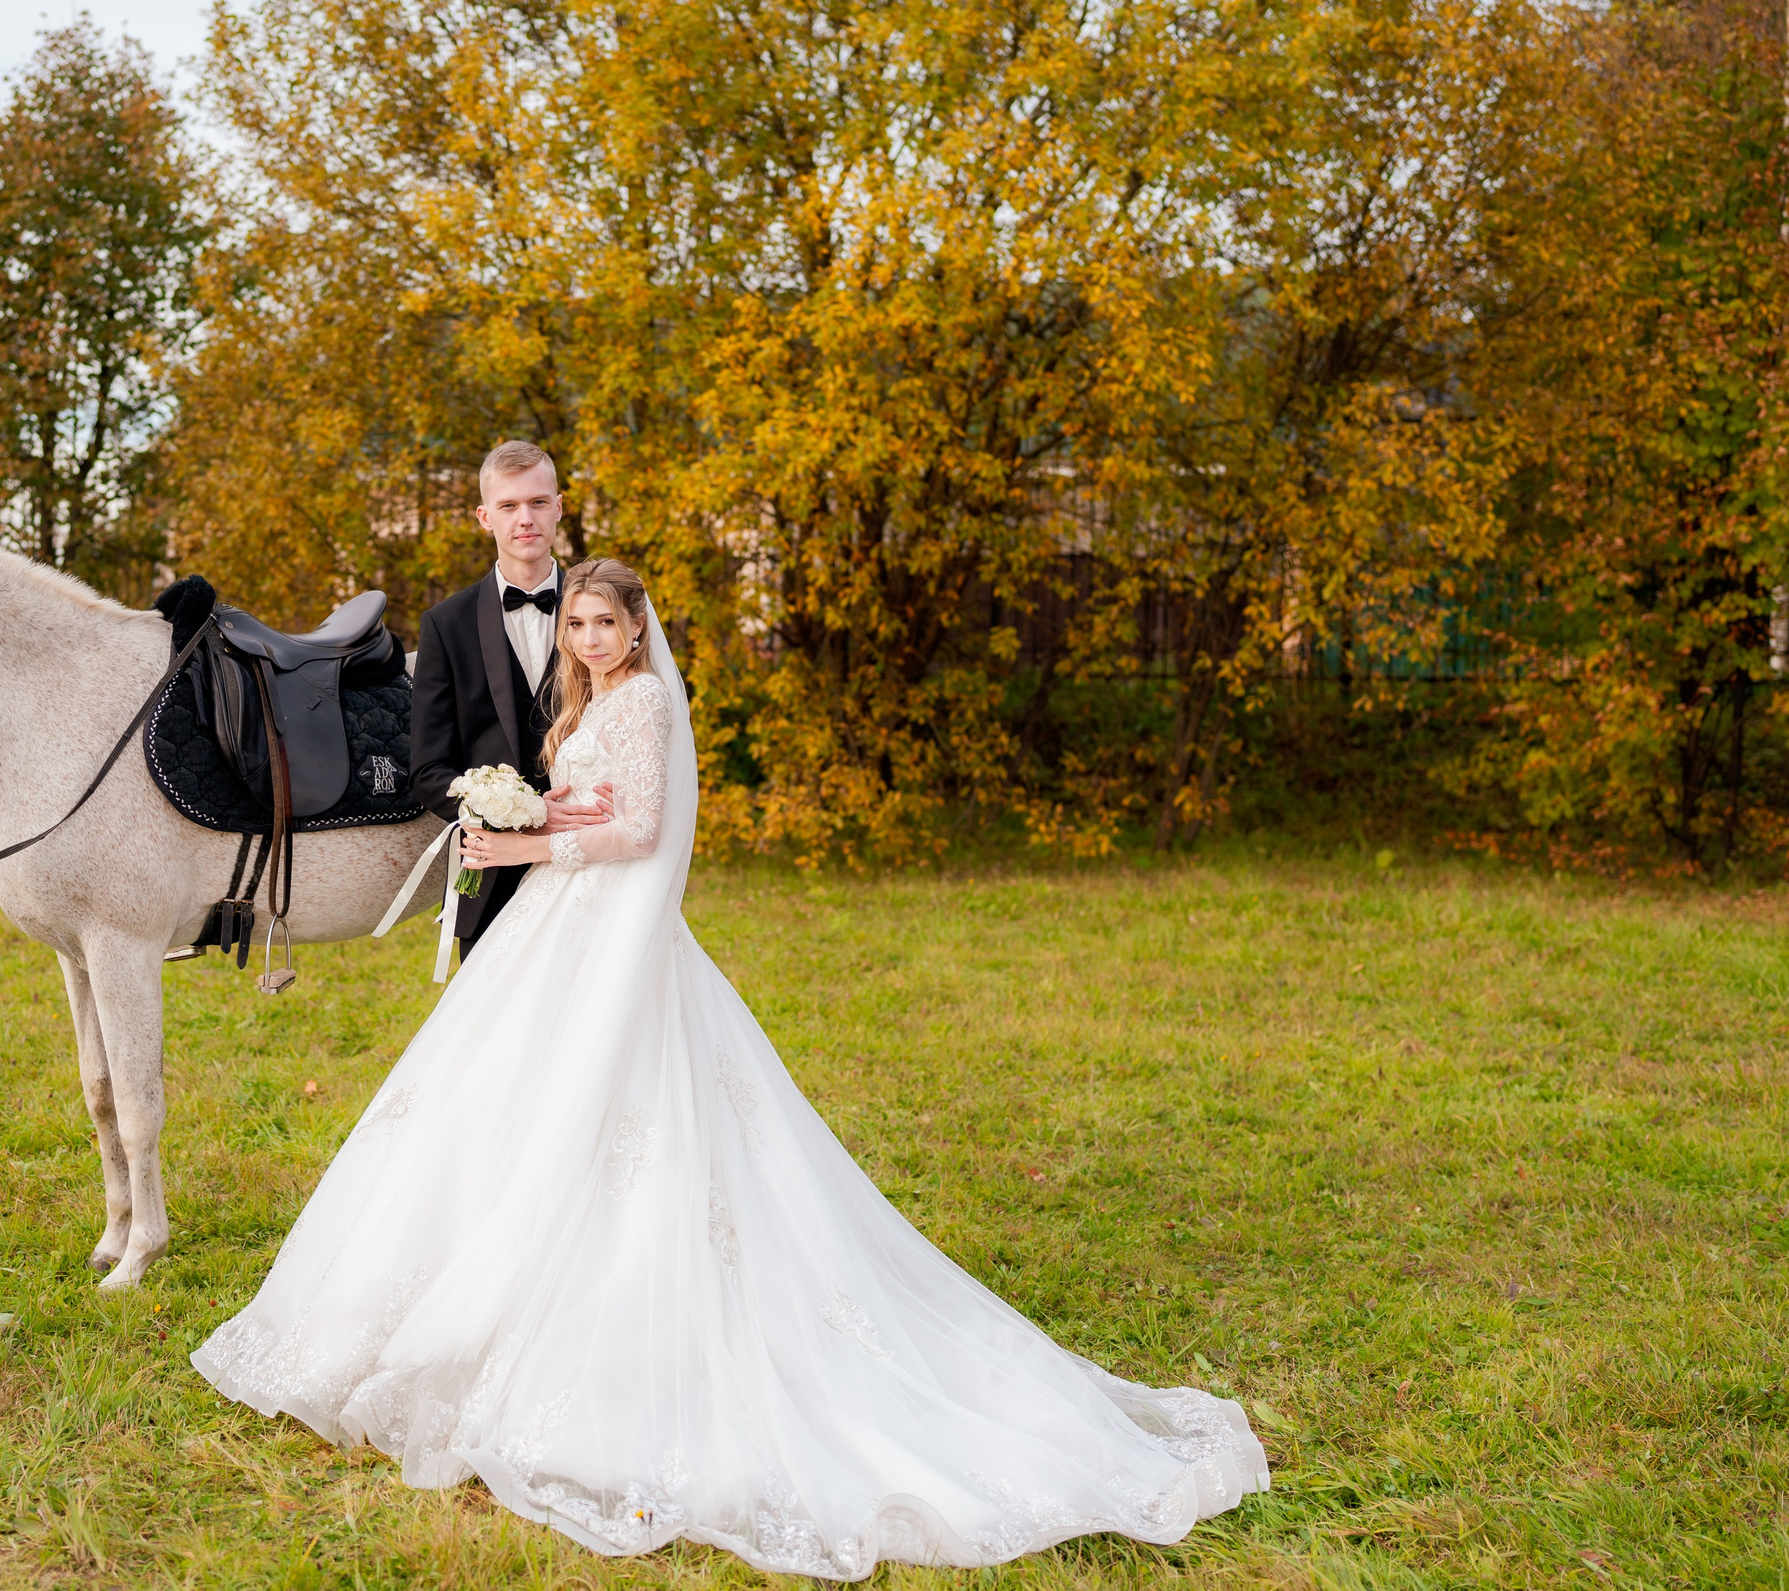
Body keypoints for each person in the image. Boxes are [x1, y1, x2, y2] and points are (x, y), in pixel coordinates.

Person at [194, 559, 1270, 1577]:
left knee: (618, 1114)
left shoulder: (644, 703)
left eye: (607, 623)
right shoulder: (587, 704)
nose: (591, 638)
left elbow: (641, 833)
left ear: (638, 629)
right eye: (579, 624)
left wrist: (522, 845)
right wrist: (529, 810)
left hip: (599, 922)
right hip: (557, 926)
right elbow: (598, 808)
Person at [406, 439, 610, 956]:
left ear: (559, 508)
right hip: (492, 879)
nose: (525, 519)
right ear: (485, 517)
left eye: (538, 502)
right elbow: (428, 771)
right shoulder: (446, 625)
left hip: (596, 867)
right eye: (509, 505)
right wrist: (523, 812)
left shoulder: (606, 612)